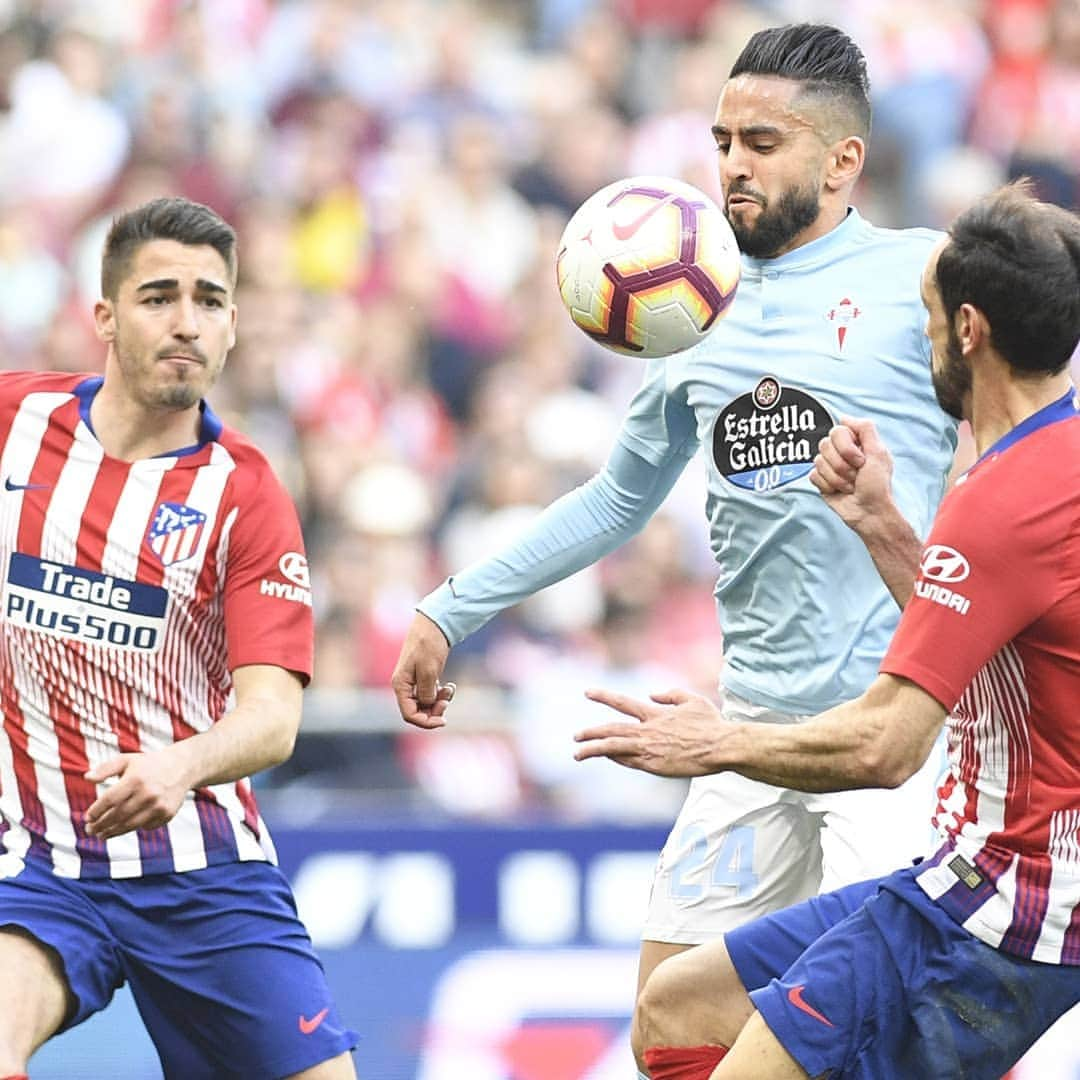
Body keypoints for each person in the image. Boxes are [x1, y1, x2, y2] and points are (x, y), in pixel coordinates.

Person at [392, 22, 957, 1066]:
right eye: (722, 140)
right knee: (668, 1029)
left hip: (894, 741)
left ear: (844, 161)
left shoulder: (926, 282)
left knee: (866, 1041)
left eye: (762, 142)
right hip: (742, 732)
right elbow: (616, 500)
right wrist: (449, 608)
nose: (733, 165)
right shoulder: (695, 306)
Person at [574, 181, 1080, 1079]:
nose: (923, 342)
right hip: (978, 874)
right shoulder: (1048, 466)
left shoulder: (1000, 502)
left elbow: (886, 746)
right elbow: (986, 641)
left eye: (925, 321)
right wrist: (882, 522)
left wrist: (716, 741)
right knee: (676, 1006)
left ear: (969, 330)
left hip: (1003, 908)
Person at [0, 197, 357, 1079]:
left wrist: (178, 766)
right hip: (33, 862)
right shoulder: (15, 424)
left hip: (204, 874)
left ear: (234, 326)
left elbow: (272, 719)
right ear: (106, 317)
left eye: (209, 300)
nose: (186, 322)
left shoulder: (248, 494)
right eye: (160, 297)